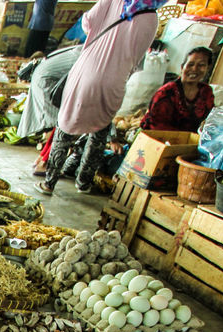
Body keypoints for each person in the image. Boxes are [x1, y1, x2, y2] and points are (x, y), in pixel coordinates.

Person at [36, 0, 162, 196]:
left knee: (66, 126)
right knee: (99, 131)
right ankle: (84, 182)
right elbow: (137, 59)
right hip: (115, 80)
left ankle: (49, 183)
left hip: (86, 70)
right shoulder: (152, 17)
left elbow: (87, 22)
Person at [17, 43, 83, 174]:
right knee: (65, 127)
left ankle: (41, 159)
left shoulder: (80, 50)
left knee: (58, 126)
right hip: (47, 83)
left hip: (44, 79)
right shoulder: (89, 57)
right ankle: (45, 165)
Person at [140, 46, 214, 132]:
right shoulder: (166, 92)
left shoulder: (206, 92)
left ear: (207, 69)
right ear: (182, 67)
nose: (194, 69)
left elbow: (209, 120)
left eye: (201, 65)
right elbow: (156, 126)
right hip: (158, 138)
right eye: (190, 64)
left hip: (189, 141)